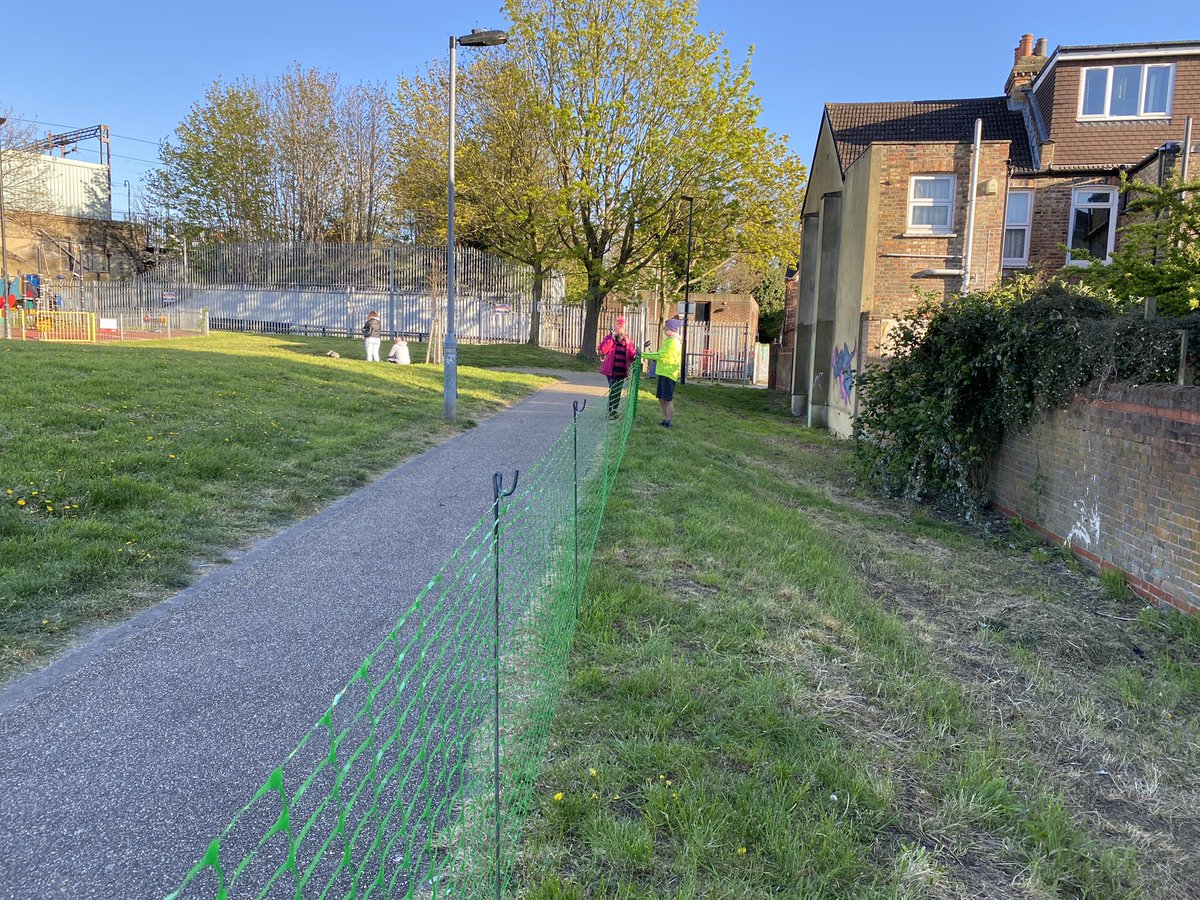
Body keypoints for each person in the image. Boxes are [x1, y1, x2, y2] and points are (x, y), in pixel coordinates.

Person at [641, 318, 682, 428]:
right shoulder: (669, 341)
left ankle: (668, 421)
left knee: (667, 399)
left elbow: (661, 355)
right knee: (661, 398)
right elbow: (660, 353)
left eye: (666, 328)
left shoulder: (673, 342)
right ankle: (665, 419)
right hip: (663, 372)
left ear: (671, 329)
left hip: (668, 373)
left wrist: (643, 355)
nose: (664, 330)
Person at [598, 316, 637, 418]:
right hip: (611, 371)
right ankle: (612, 410)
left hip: (622, 371)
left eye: (621, 328)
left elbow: (632, 354)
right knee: (613, 389)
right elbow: (604, 350)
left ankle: (614, 409)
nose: (620, 331)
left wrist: (635, 356)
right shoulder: (609, 338)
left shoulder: (627, 340)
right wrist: (612, 338)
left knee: (618, 391)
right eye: (618, 328)